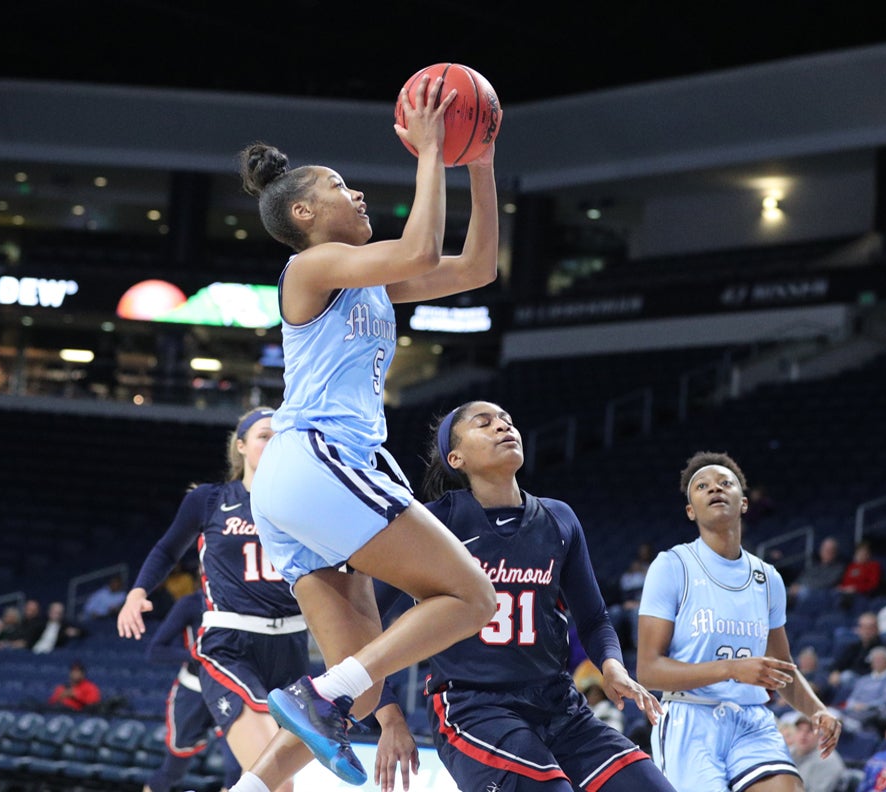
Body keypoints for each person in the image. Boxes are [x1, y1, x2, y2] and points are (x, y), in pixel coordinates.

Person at [223, 73, 502, 791]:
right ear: (307, 211)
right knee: (472, 598)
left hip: (302, 484)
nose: (359, 195)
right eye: (345, 188)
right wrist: (432, 152)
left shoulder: (366, 278)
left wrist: (480, 162)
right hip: (319, 459)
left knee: (364, 690)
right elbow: (416, 250)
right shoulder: (311, 267)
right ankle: (314, 697)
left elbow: (475, 266)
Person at [119, 408, 416, 792]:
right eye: (263, 435)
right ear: (240, 446)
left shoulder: (308, 504)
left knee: (264, 783)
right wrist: (138, 592)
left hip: (292, 647)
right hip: (231, 645)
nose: (274, 441)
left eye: (282, 435)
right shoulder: (211, 500)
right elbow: (166, 549)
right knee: (279, 784)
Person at [409, 401, 672, 792]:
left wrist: (612, 666)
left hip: (558, 703)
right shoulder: (434, 523)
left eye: (507, 421)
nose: (502, 426)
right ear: (456, 457)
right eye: (485, 423)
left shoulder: (558, 518)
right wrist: (388, 715)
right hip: (474, 706)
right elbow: (367, 610)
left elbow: (594, 619)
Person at [637, 451, 841, 792]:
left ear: (743, 503)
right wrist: (731, 669)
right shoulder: (672, 566)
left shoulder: (768, 578)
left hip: (751, 719)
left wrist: (817, 710)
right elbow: (648, 670)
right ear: (691, 511)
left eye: (724, 483)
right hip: (691, 718)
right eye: (702, 486)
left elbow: (780, 668)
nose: (714, 489)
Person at [142, 589, 242, 792]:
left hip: (229, 688)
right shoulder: (190, 603)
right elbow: (155, 651)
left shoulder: (242, 597)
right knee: (173, 772)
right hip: (193, 691)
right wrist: (197, 655)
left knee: (236, 768)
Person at [839, 646, 886, 735]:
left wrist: (866, 705)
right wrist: (852, 705)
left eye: (880, 660)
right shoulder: (864, 679)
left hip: (876, 711)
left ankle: (849, 724)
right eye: (874, 660)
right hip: (856, 710)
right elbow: (853, 697)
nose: (876, 662)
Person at [787, 711, 846, 792]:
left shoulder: (827, 759)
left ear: (821, 735)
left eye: (810, 731)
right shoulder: (787, 752)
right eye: (799, 730)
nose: (803, 735)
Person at [829, 612, 886, 693]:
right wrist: (835, 672)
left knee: (847, 676)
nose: (867, 631)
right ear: (858, 629)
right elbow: (838, 664)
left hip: (872, 682)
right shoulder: (853, 647)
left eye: (870, 628)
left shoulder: (883, 648)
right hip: (851, 680)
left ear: (877, 629)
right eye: (863, 627)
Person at [788, 537, 846, 604]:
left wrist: (801, 587)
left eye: (830, 549)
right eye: (825, 548)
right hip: (800, 589)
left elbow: (828, 583)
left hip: (819, 594)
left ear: (835, 552)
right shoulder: (814, 565)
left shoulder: (839, 568)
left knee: (803, 592)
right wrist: (796, 585)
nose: (826, 551)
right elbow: (802, 577)